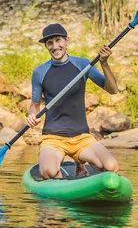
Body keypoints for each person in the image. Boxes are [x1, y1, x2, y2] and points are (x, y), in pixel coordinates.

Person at [26, 23, 120, 179]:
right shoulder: (39, 72)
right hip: (53, 138)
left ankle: (79, 160)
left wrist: (104, 63)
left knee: (111, 167)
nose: (55, 46)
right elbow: (34, 106)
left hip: (81, 137)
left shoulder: (83, 65)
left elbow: (113, 89)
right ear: (46, 46)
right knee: (48, 172)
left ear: (66, 41)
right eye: (50, 43)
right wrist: (31, 116)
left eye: (58, 40)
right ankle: (68, 171)